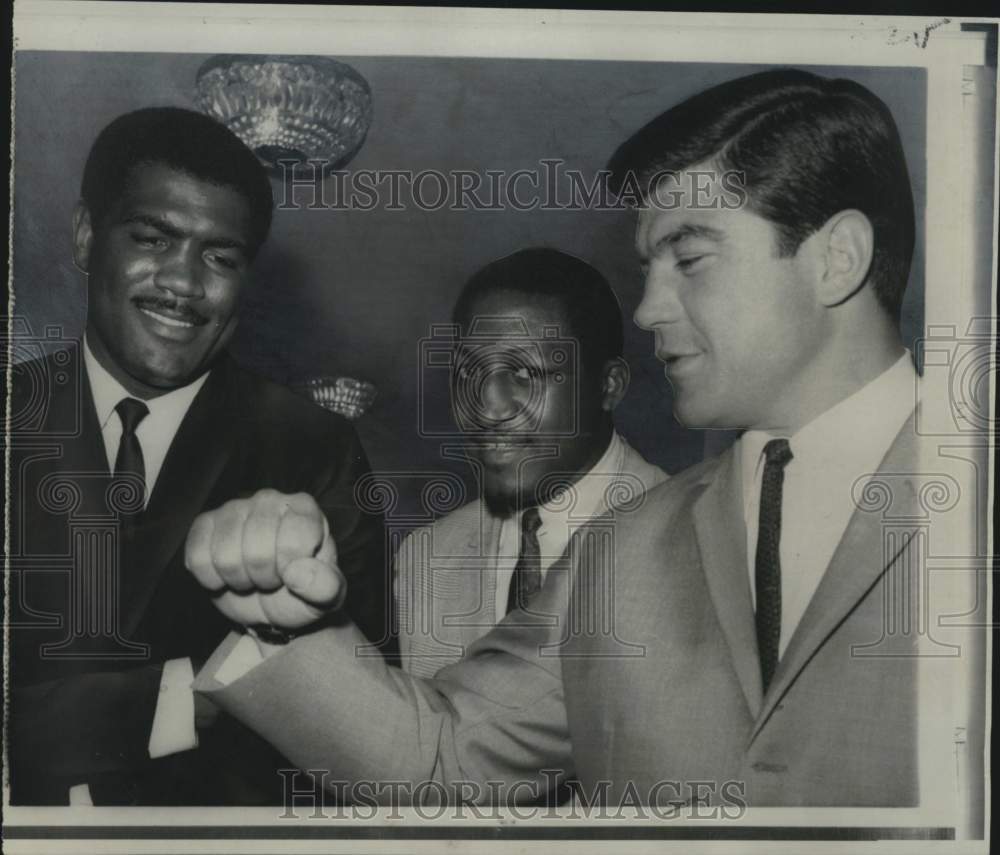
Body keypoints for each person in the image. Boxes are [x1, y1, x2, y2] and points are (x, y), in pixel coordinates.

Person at [185, 69, 977, 807]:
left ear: (837, 259)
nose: (648, 308)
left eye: (690, 257)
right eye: (648, 268)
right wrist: (283, 623)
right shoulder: (619, 550)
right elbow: (440, 761)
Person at [6, 107, 392, 805]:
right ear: (86, 235)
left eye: (221, 257)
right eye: (153, 238)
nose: (184, 283)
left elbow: (367, 732)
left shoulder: (315, 448)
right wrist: (194, 695)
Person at [396, 248, 667, 677]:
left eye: (524, 374)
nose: (488, 406)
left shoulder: (688, 539)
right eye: (468, 374)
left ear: (608, 386)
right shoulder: (426, 557)